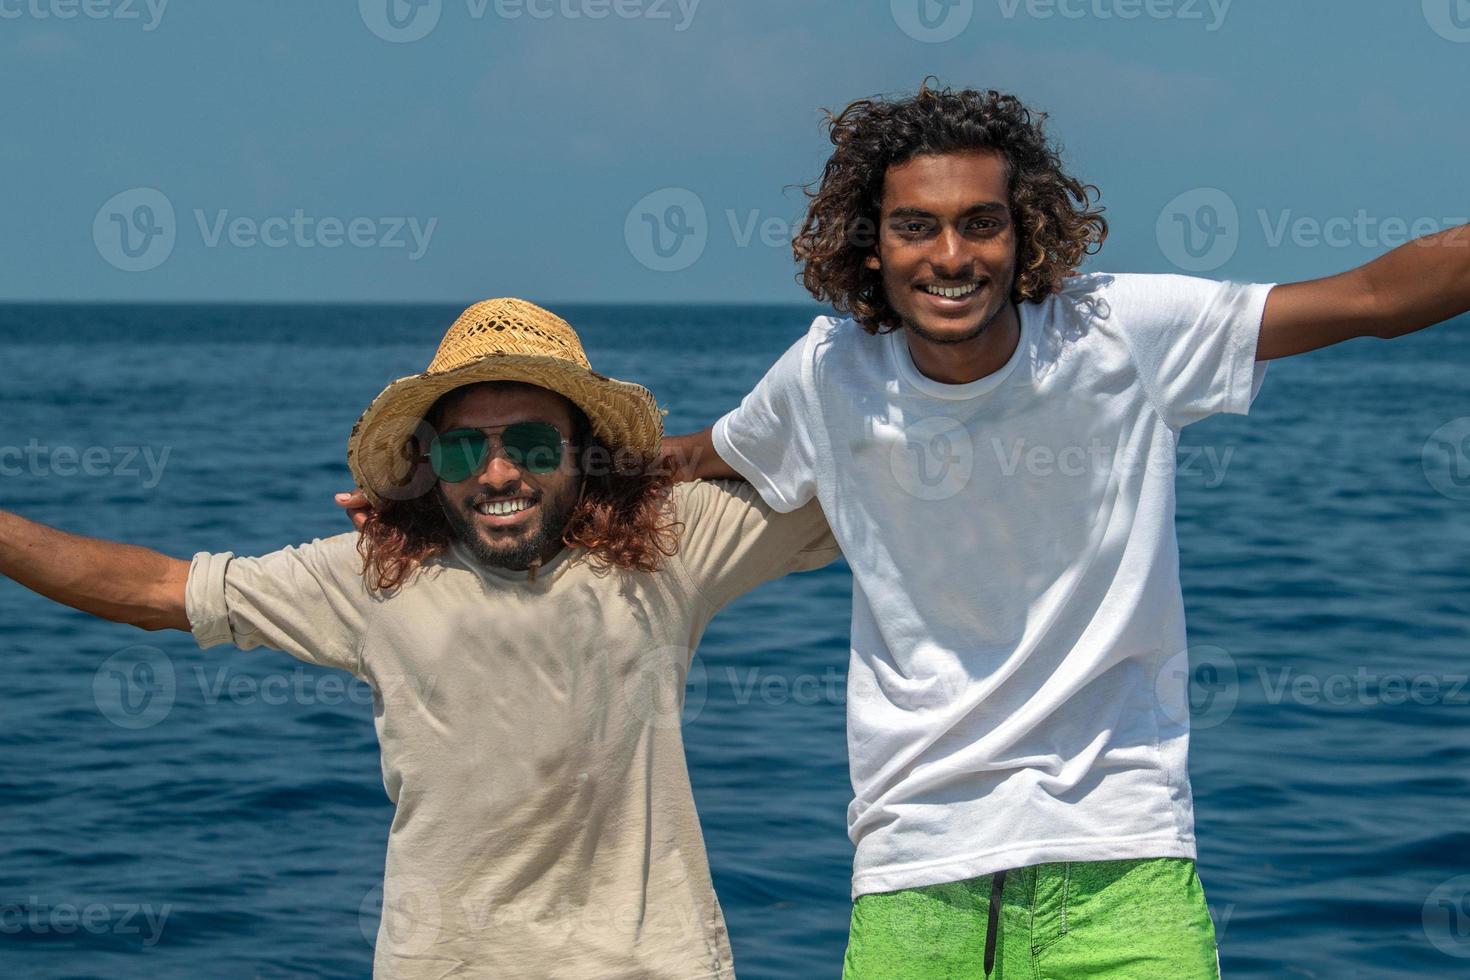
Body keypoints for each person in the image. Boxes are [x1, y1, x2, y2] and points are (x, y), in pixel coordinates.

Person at [663, 82, 1470, 978]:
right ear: (870, 242)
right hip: (916, 866)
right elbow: (705, 454)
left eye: (981, 222)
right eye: (914, 226)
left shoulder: (1120, 332)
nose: (949, 255)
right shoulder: (826, 375)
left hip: (1123, 861)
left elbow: (1370, 300)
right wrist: (545, 460)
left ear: (1025, 231)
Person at [0, 298, 837, 979]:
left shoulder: (671, 545)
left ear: (585, 452)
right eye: (467, 447)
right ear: (429, 459)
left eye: (535, 444)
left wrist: (688, 461)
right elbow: (155, 591)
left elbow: (864, 487)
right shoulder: (373, 577)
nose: (499, 474)